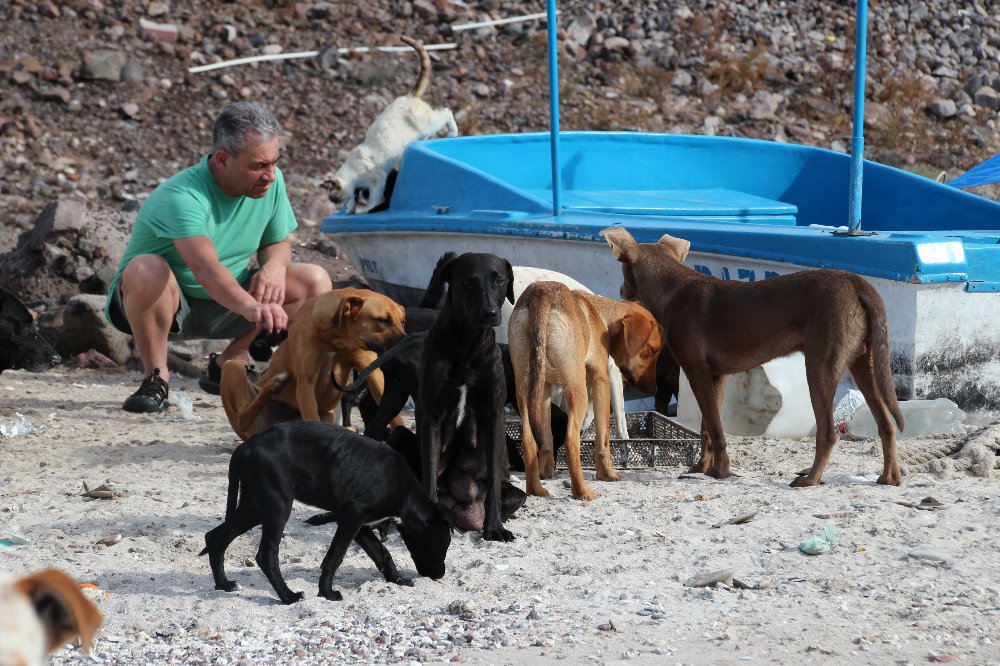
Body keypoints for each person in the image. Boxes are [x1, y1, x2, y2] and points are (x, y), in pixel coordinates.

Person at [105, 101, 332, 413]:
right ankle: (156, 377)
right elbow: (205, 268)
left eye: (274, 163)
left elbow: (277, 242)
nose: (270, 175)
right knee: (146, 268)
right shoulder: (182, 197)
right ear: (223, 159)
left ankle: (230, 362)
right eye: (258, 166)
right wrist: (255, 308)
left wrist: (275, 268)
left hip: (229, 303)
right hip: (167, 304)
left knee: (314, 281)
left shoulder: (272, 182)